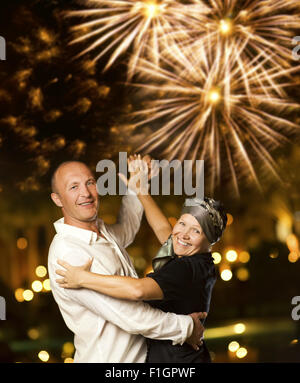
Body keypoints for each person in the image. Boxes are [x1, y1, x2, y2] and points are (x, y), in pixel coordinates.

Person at [55, 158, 228, 363]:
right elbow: (164, 230)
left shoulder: (186, 267)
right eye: (182, 223)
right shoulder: (195, 256)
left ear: (209, 239)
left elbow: (137, 290)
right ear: (57, 199)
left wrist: (83, 277)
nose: (183, 235)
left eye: (196, 230)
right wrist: (141, 190)